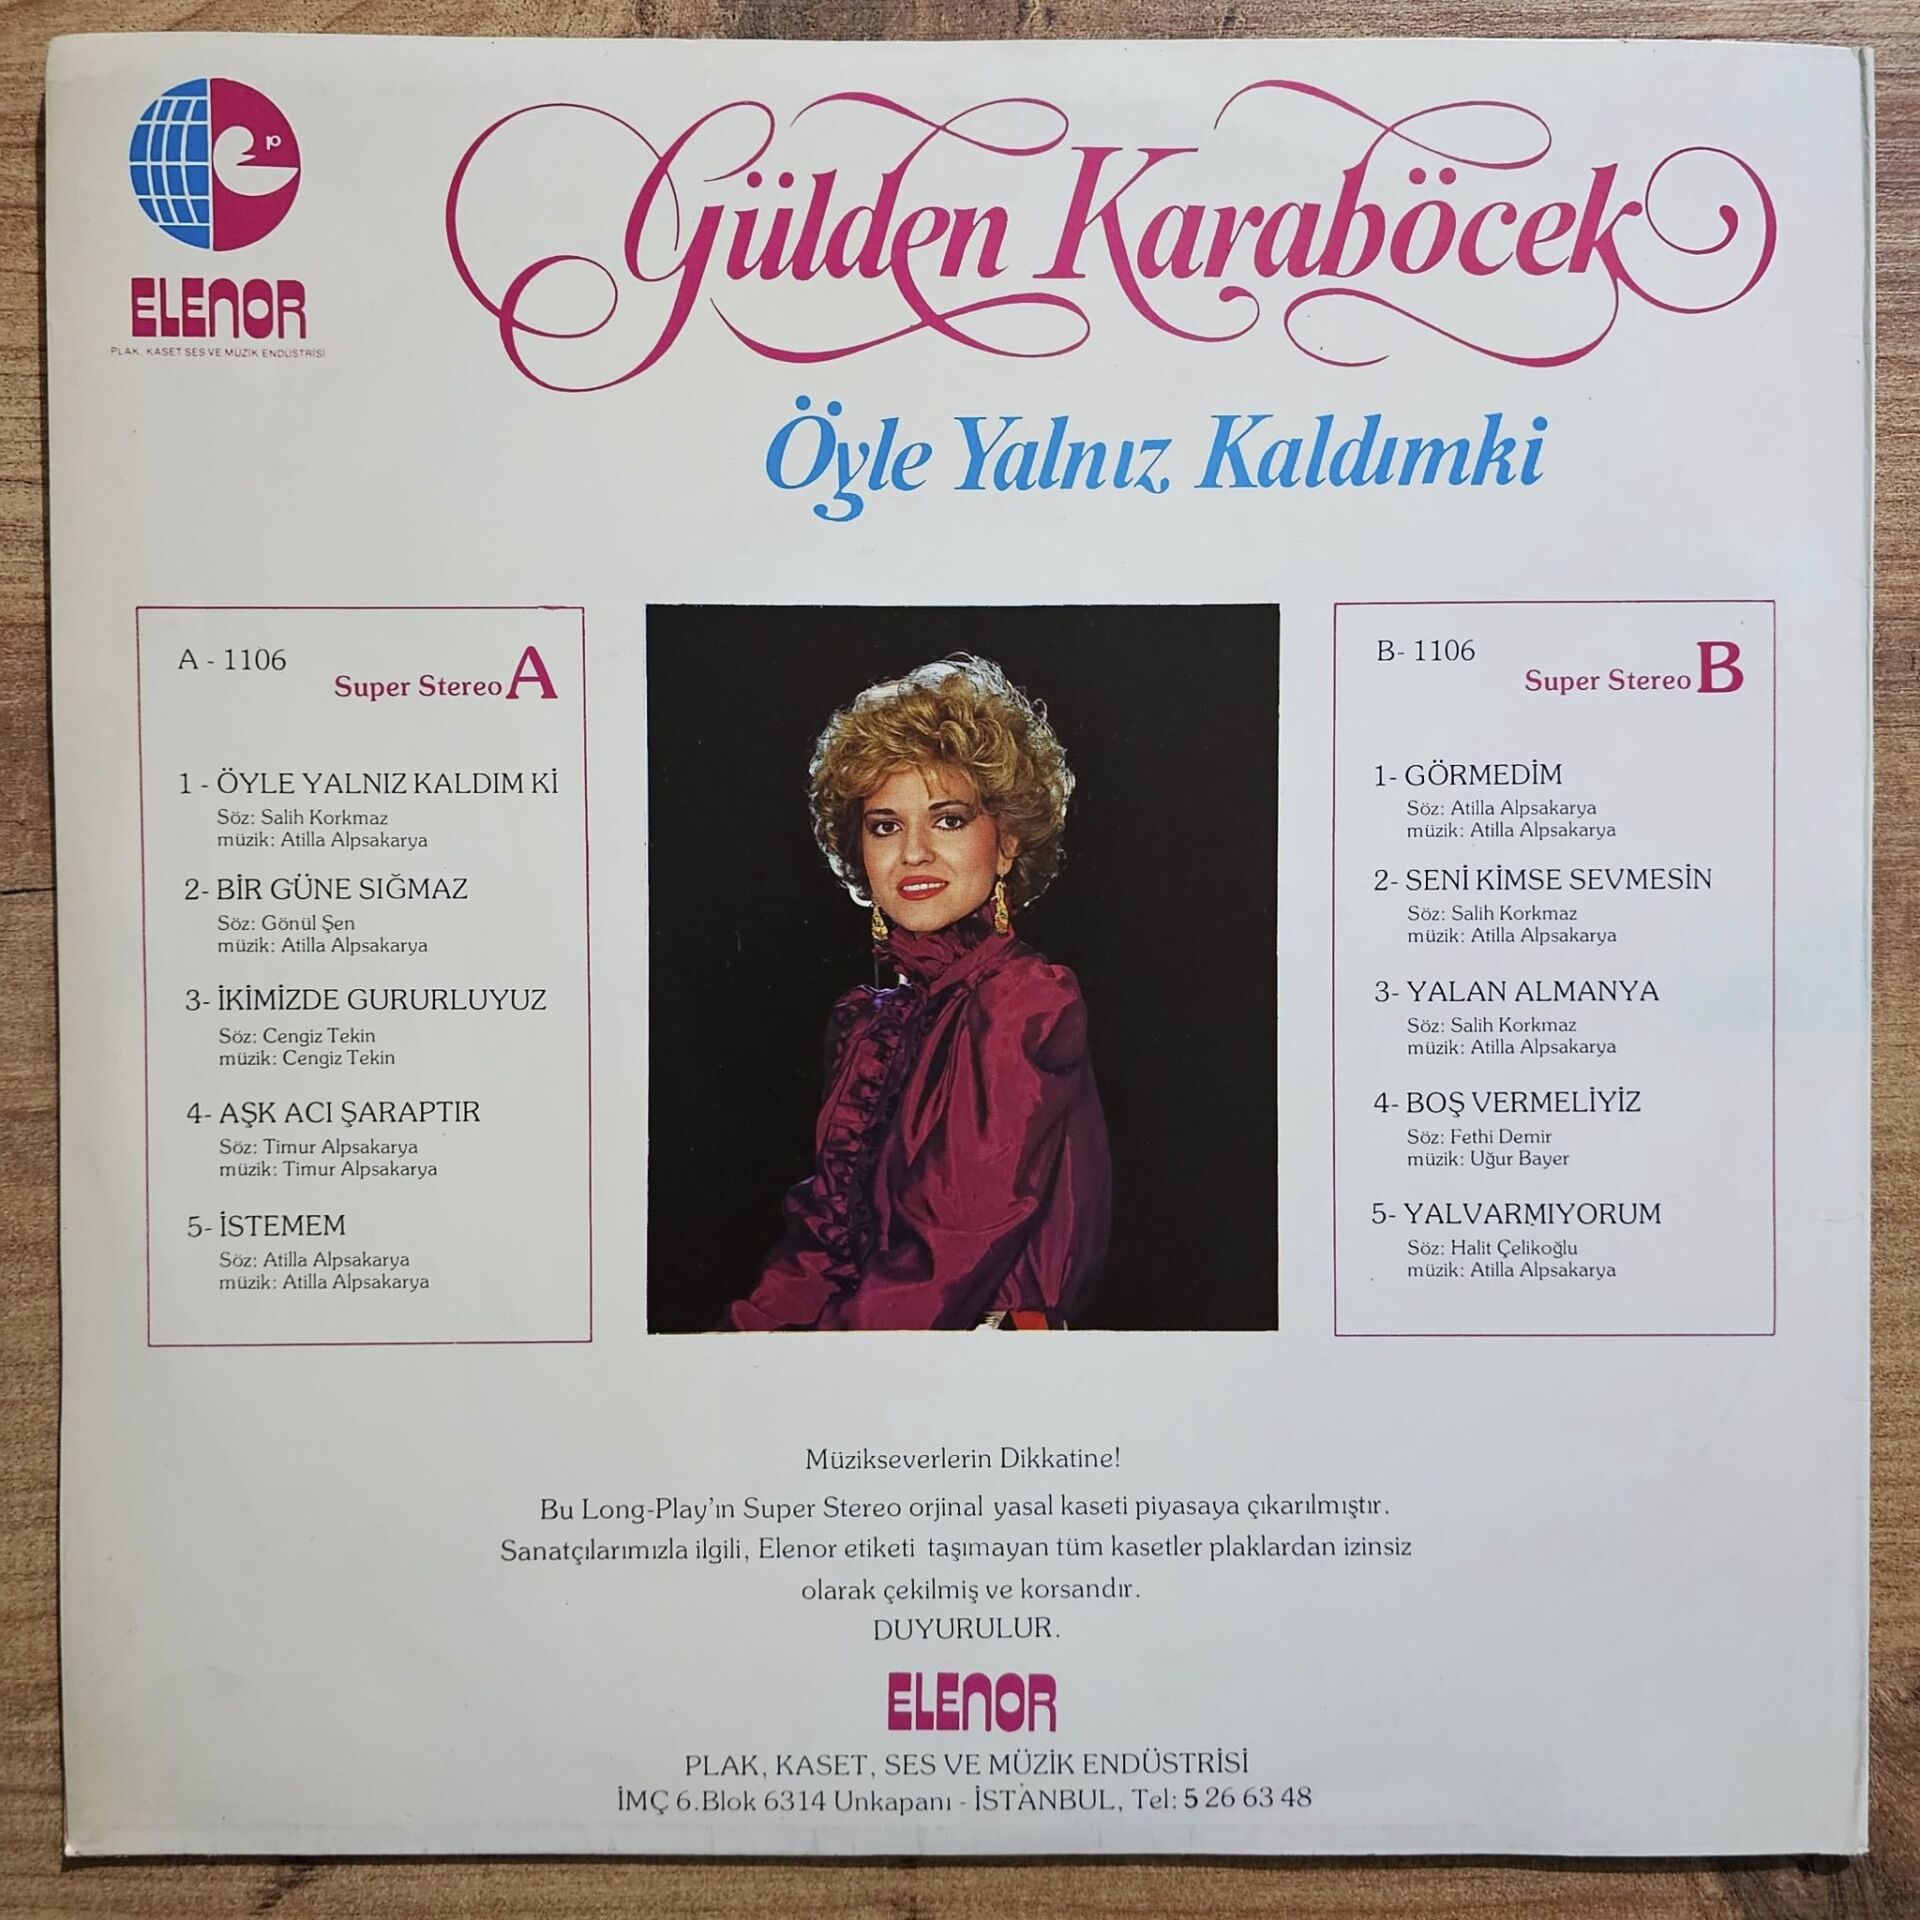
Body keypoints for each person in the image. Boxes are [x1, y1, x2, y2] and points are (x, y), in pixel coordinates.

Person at [723, 657, 1110, 1332]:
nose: (913, 853)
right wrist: (735, 1350)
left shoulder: (1024, 1004)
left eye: (949, 820)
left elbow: (944, 1261)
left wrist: (808, 1370)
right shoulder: (869, 1025)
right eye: (885, 825)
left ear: (1007, 843)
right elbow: (820, 1250)